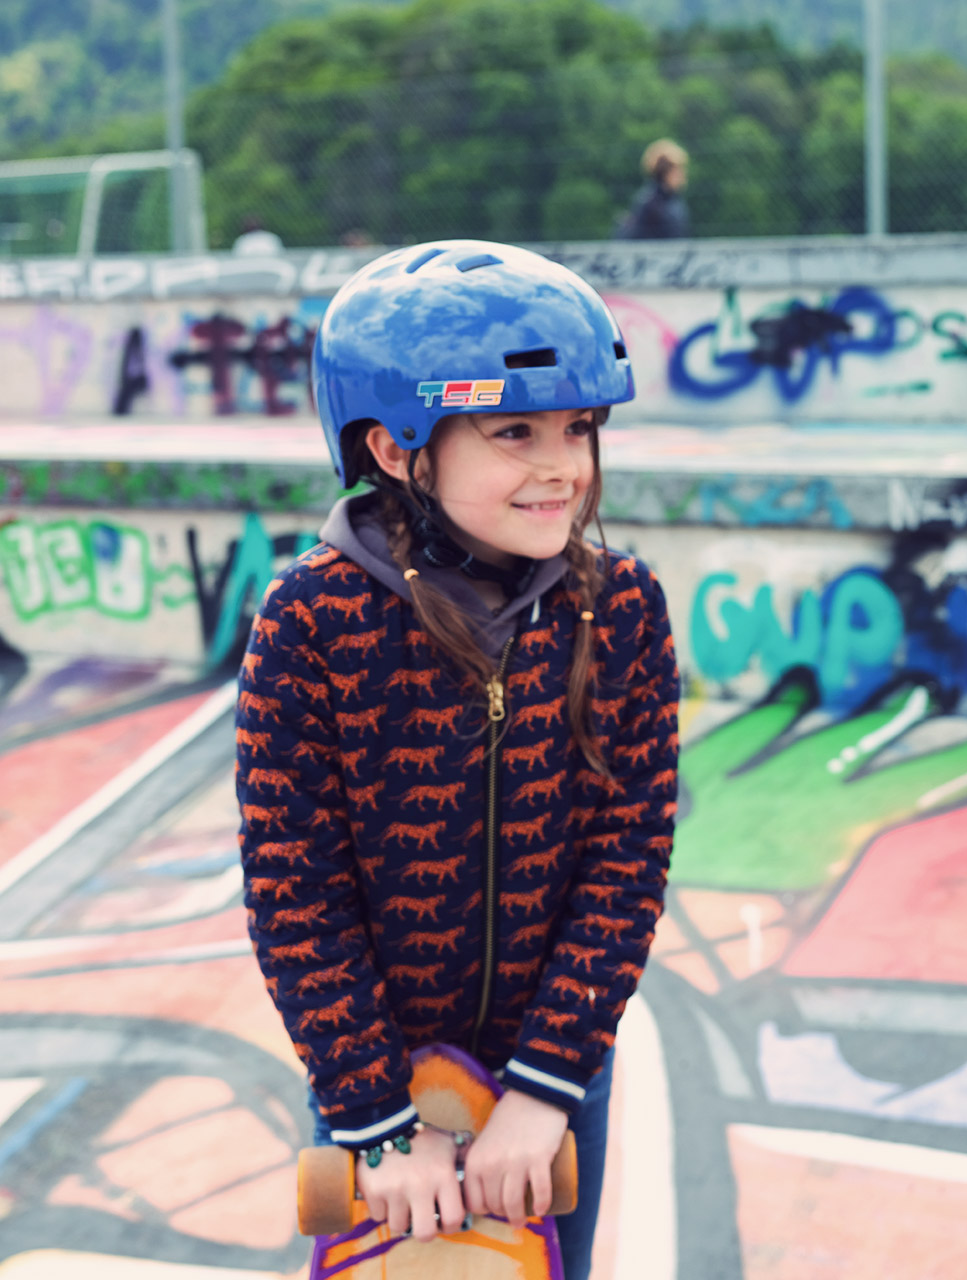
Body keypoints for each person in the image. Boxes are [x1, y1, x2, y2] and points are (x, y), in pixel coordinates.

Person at [236, 239, 677, 1279]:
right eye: (515, 430)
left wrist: (546, 1084)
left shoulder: (619, 608)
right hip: (378, 1079)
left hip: (554, 1075)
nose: (564, 464)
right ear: (397, 450)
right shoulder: (311, 622)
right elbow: (296, 892)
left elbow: (628, 858)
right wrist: (378, 1121)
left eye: (579, 426)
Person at [612, 138, 690, 240]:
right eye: (677, 171)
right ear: (665, 173)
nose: (683, 176)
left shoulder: (673, 201)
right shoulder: (649, 202)